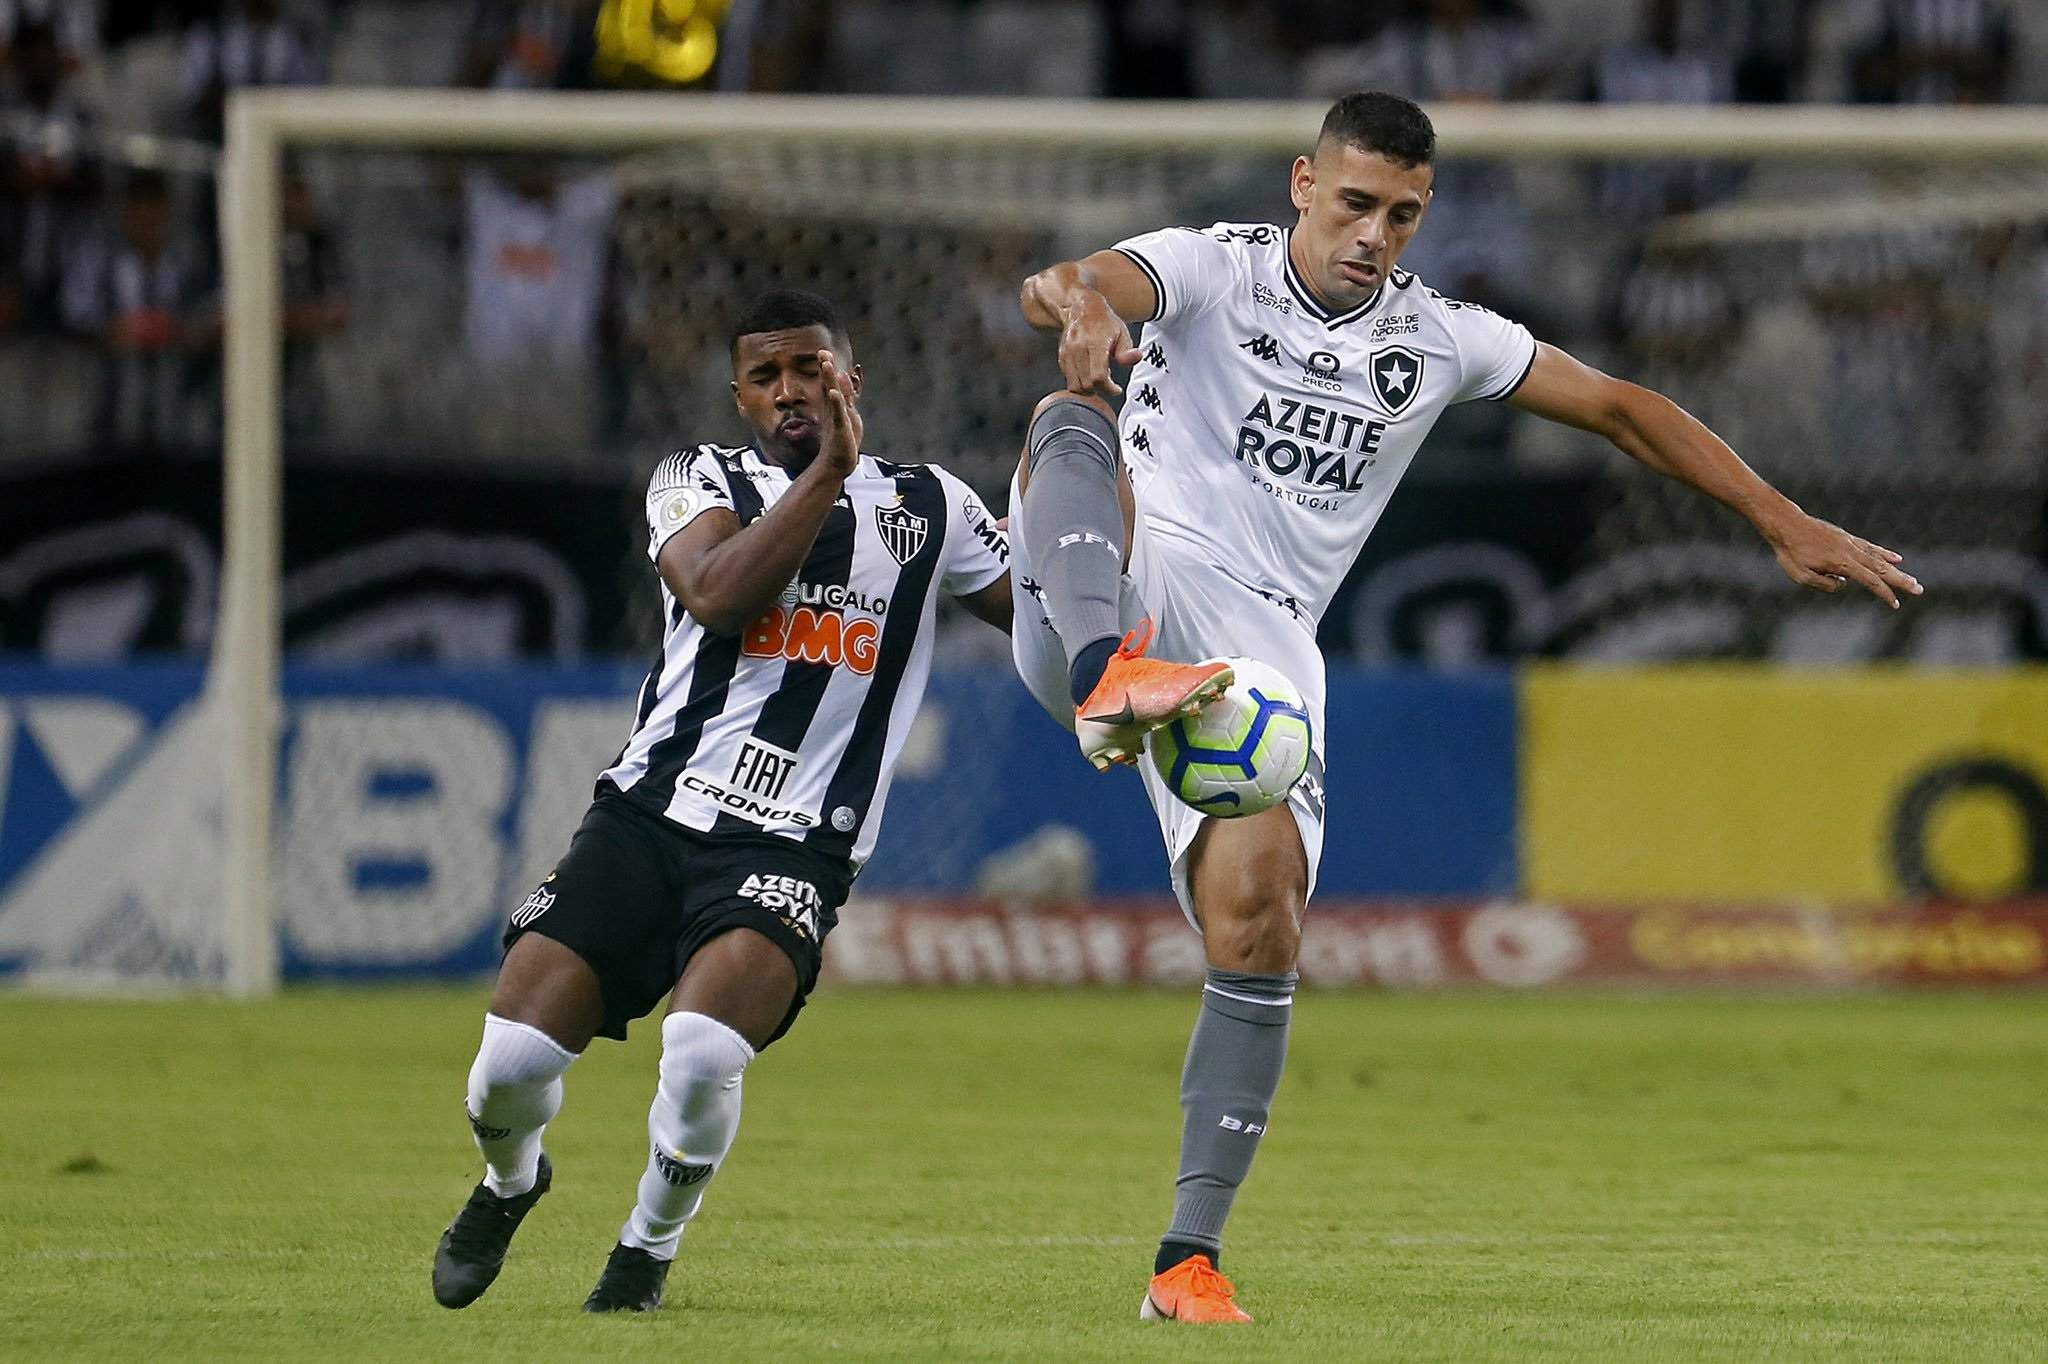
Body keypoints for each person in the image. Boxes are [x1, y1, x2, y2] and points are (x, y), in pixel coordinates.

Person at [1008, 90, 1920, 1324]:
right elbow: (1062, 281)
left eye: (1400, 213)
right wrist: (1080, 312)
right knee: (1070, 420)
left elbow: (1616, 404)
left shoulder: (1439, 338)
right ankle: (1097, 672)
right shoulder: (1210, 270)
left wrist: (1780, 517)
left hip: (1265, 652)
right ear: (1300, 185)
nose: (1373, 233)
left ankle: (1187, 1260)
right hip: (1128, 572)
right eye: (1351, 203)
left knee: (1261, 916)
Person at [430, 288, 1012, 1314]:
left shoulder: (933, 507)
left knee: (700, 1050)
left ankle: (645, 1247)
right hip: (648, 816)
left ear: (851, 379)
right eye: (767, 376)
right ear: (740, 397)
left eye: (810, 370)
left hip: (792, 847)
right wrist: (827, 474)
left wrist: (1109, 477)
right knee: (506, 1070)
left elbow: (1048, 626)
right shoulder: (695, 479)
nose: (791, 391)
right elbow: (717, 594)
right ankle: (510, 1179)